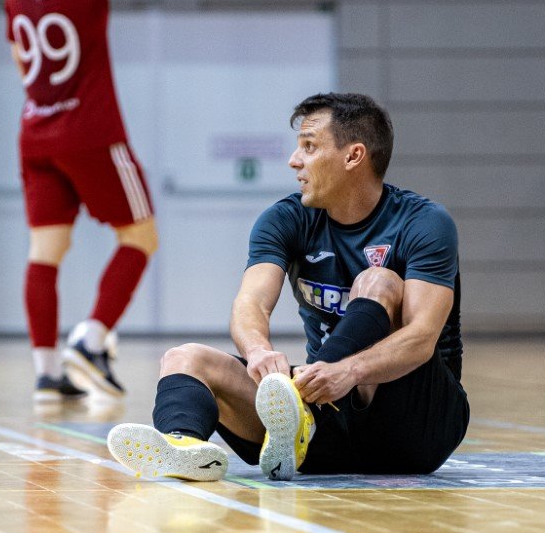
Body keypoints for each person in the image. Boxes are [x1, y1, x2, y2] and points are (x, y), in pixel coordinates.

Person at [107, 91, 469, 482]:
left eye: (309, 147)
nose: (294, 161)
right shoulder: (285, 219)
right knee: (184, 358)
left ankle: (300, 404)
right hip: (319, 417)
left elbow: (421, 339)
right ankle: (184, 446)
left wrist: (344, 372)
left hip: (415, 423)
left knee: (378, 280)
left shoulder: (424, 221)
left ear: (353, 156)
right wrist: (259, 351)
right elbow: (251, 302)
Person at [4, 0, 159, 405]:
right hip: (90, 132)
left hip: (35, 134)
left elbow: (17, 56)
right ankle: (92, 341)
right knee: (141, 237)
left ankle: (46, 372)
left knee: (45, 251)